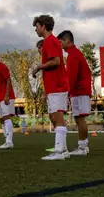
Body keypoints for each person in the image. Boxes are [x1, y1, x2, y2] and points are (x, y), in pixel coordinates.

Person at [32, 15, 69, 160]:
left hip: (57, 85)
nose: (35, 29)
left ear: (43, 26)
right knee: (54, 117)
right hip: (54, 85)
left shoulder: (49, 41)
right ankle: (63, 149)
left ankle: (59, 152)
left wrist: (39, 67)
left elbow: (56, 62)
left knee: (56, 116)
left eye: (37, 26)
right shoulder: (50, 41)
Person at [57, 30, 92, 156]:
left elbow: (71, 77)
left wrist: (66, 93)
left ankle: (83, 147)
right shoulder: (75, 54)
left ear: (68, 41)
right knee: (79, 118)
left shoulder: (73, 55)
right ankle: (83, 146)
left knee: (80, 118)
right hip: (80, 90)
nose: (60, 44)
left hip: (80, 90)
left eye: (61, 42)